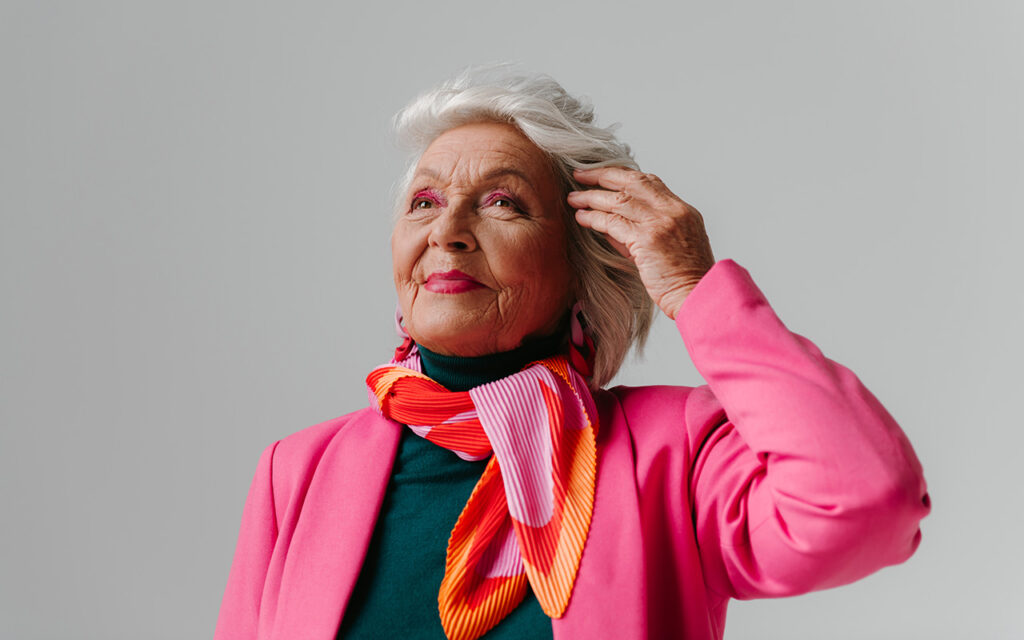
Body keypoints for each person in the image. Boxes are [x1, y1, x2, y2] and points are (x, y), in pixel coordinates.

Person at [214, 67, 930, 640]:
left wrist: (697, 290)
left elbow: (867, 503)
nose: (450, 232)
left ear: (581, 273)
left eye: (503, 203)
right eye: (425, 203)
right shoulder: (297, 473)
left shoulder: (674, 456)